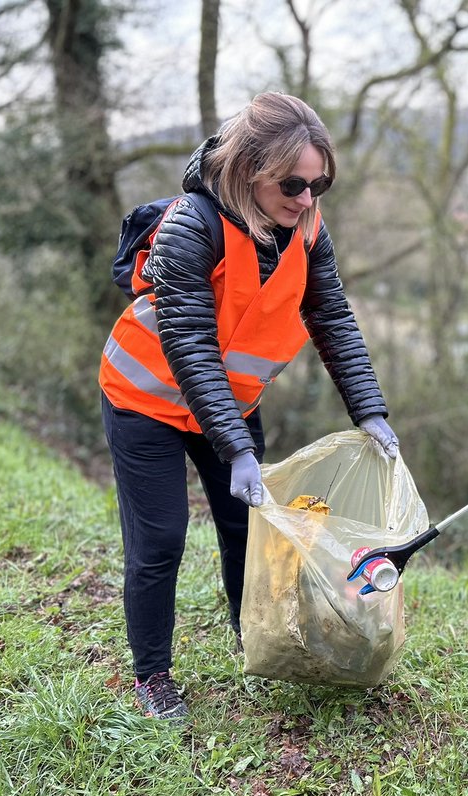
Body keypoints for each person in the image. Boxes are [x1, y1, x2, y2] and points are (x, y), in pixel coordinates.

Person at [99, 92, 399, 722]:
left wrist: (369, 409)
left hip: (227, 405)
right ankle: (152, 676)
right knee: (160, 539)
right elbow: (190, 343)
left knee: (245, 529)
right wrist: (237, 449)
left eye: (319, 184)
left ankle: (254, 639)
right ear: (248, 169)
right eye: (292, 184)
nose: (306, 199)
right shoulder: (191, 227)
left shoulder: (308, 231)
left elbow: (331, 315)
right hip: (145, 399)